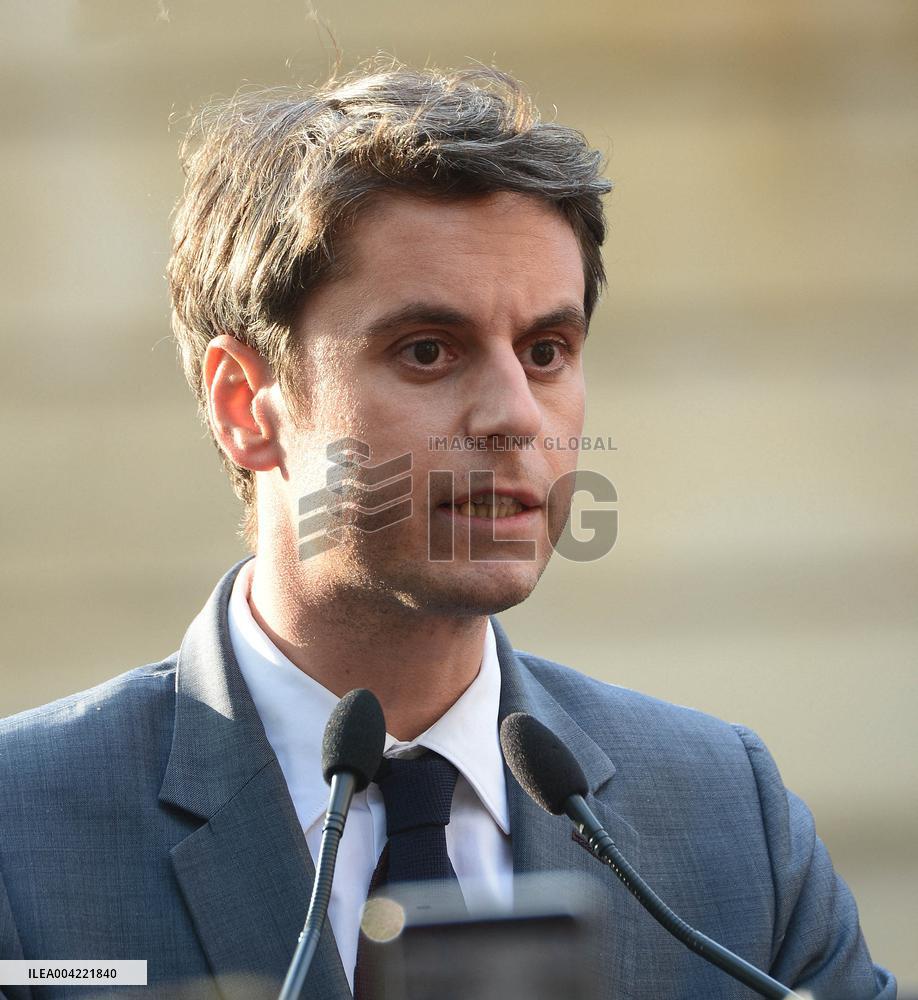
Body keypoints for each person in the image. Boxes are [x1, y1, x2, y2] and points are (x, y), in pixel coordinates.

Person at [0, 64, 896, 1000]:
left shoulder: (727, 815)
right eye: (427, 351)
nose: (515, 415)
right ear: (246, 403)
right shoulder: (21, 836)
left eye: (547, 352)